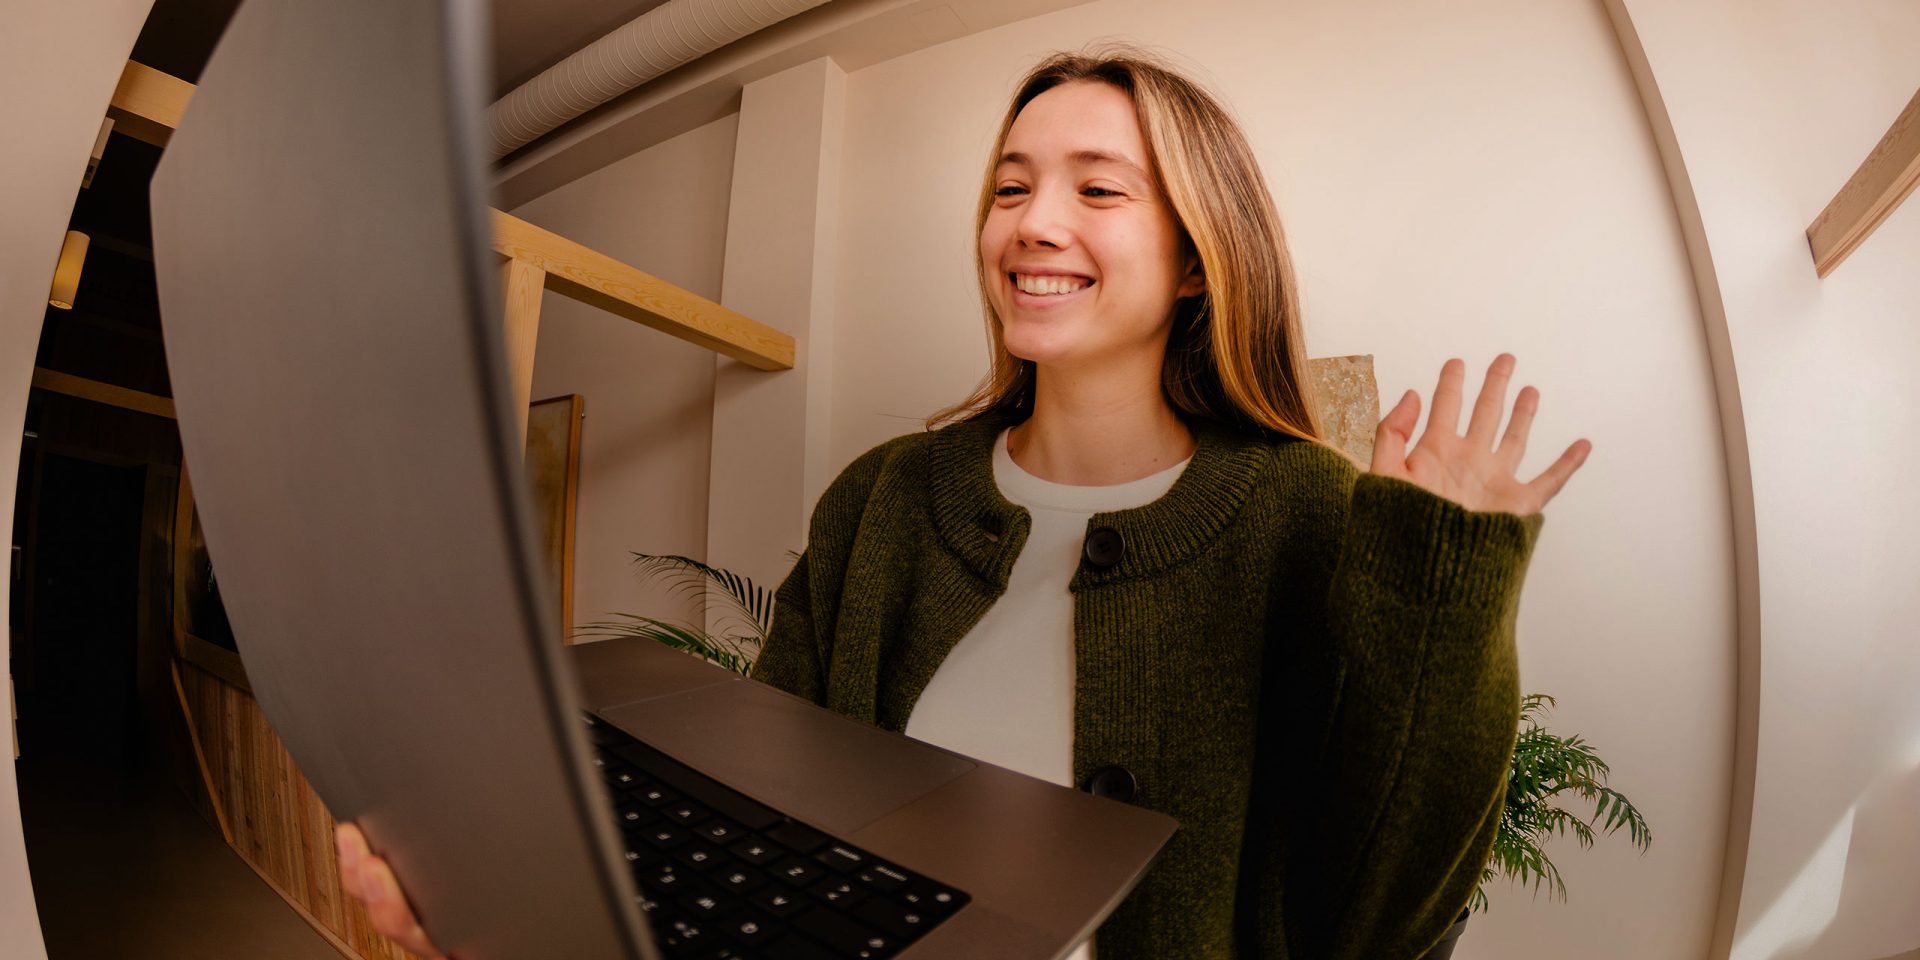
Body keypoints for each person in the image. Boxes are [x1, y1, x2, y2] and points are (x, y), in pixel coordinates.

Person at [337, 46, 1590, 959]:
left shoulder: (1312, 515)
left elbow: (1384, 922)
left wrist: (1440, 577)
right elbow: (758, 804)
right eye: (1008, 186)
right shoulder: (885, 498)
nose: (1033, 223)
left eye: (1099, 190)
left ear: (1205, 255)